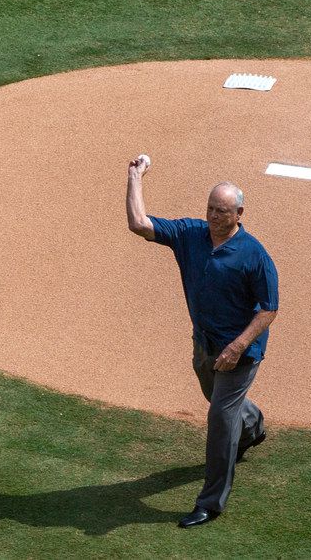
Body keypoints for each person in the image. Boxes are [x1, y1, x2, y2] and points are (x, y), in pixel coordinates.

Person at [125, 154, 279, 528]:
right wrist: (135, 177)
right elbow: (140, 224)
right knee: (218, 398)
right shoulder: (190, 235)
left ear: (239, 213)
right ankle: (253, 425)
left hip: (240, 352)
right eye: (210, 208)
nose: (213, 216)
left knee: (220, 419)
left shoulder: (254, 255)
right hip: (205, 345)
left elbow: (268, 309)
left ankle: (210, 503)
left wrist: (238, 346)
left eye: (222, 211)